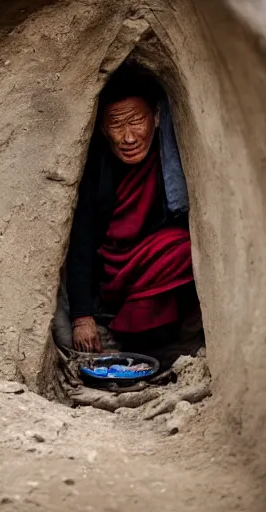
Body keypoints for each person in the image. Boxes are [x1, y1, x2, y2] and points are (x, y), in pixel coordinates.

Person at [66, 68, 198, 354]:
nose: (128, 138)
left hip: (162, 271)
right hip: (113, 276)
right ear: (102, 129)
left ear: (157, 117)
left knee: (183, 247)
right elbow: (81, 240)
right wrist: (81, 317)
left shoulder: (172, 161)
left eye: (137, 121)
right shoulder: (95, 171)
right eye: (116, 125)